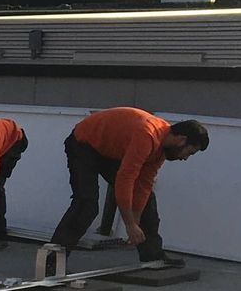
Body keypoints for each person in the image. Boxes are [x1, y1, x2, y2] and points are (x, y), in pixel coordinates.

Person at [49, 108, 208, 261]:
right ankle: (52, 262)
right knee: (86, 204)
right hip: (84, 143)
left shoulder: (161, 150)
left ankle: (152, 256)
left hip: (109, 149)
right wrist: (129, 224)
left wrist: (135, 225)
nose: (185, 158)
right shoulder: (147, 135)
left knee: (147, 200)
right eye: (189, 152)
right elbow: (125, 179)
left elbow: (143, 186)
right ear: (182, 140)